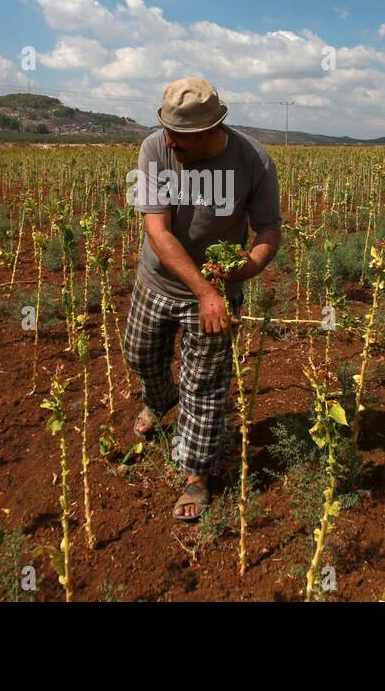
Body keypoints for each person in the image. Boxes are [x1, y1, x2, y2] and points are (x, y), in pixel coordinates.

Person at [124, 77, 282, 521]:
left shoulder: (254, 161)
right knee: (138, 355)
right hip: (159, 282)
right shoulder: (155, 149)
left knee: (205, 387)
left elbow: (269, 229)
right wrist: (205, 290)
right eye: (167, 130)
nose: (170, 142)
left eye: (180, 136)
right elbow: (157, 231)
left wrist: (246, 269)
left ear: (211, 131)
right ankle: (157, 401)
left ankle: (196, 474)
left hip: (216, 294)